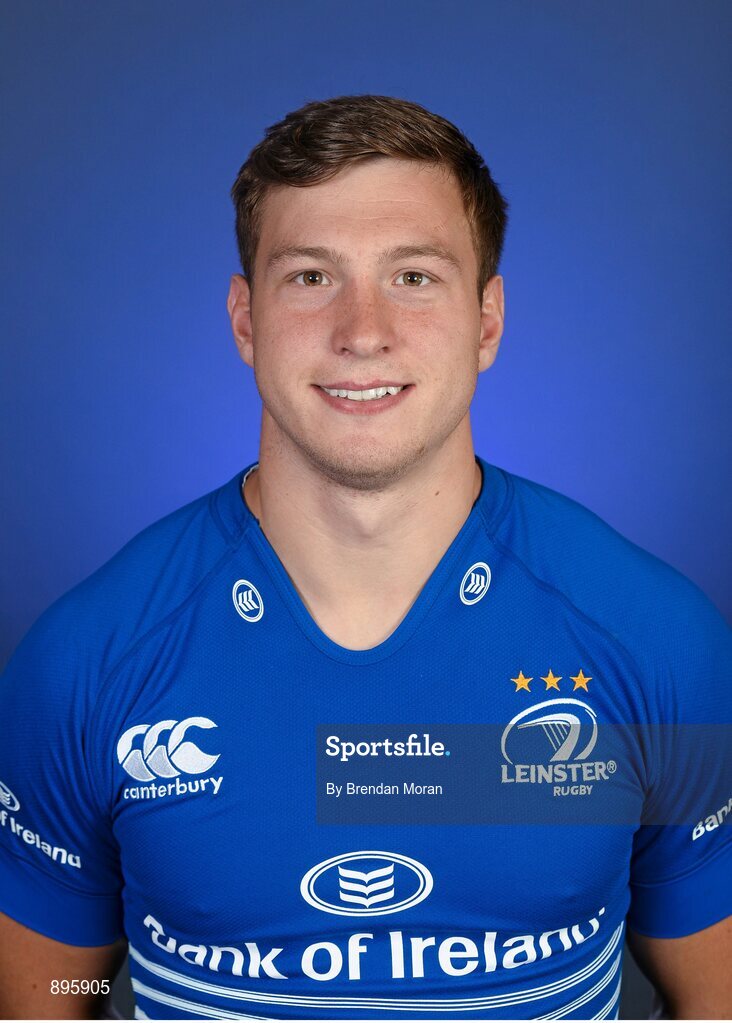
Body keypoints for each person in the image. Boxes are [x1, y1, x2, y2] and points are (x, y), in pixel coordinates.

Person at [0, 94, 730, 1021]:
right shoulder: (83, 664)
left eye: (415, 277)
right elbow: (46, 1001)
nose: (363, 330)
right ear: (244, 318)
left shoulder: (659, 644)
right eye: (310, 276)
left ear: (488, 320)